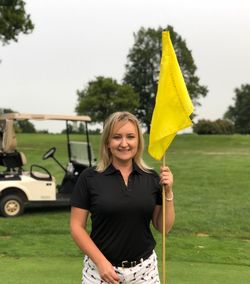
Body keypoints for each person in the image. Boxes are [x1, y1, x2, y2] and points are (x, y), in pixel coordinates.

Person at [70, 111, 175, 284]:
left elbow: (164, 227)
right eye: (117, 137)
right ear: (107, 142)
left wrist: (169, 192)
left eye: (131, 137)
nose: (124, 143)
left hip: (144, 272)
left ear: (138, 141)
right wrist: (101, 262)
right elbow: (76, 227)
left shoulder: (151, 177)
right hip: (100, 271)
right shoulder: (89, 177)